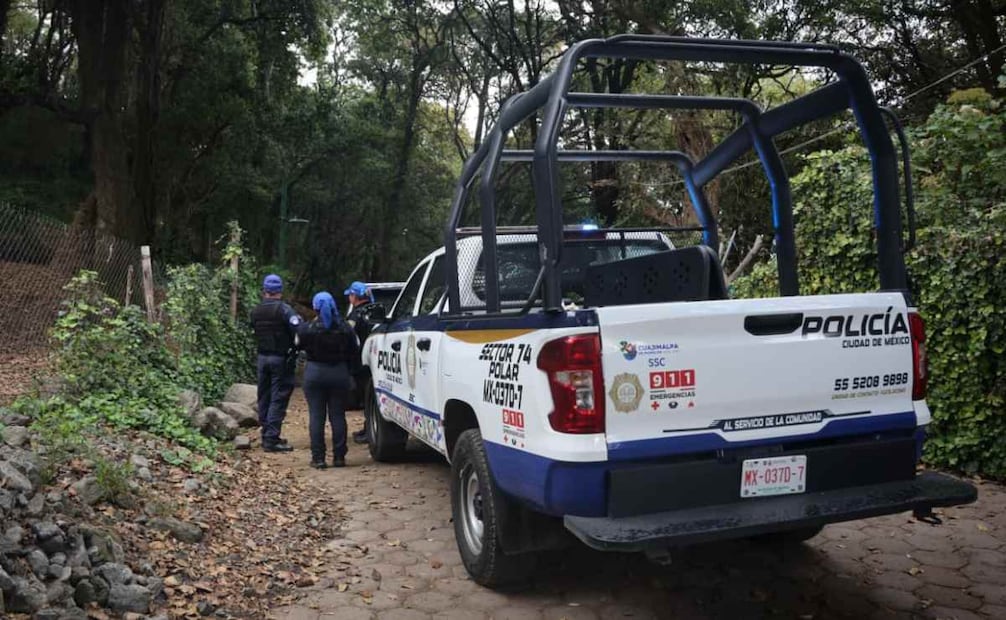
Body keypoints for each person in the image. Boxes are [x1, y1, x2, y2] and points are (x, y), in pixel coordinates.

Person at [297, 292, 359, 468]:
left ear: (315, 308)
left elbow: (298, 346)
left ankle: (318, 458)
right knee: (338, 415)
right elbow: (355, 350)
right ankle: (339, 457)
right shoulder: (346, 329)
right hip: (339, 373)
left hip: (315, 373)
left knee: (316, 415)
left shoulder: (306, 329)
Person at [251, 274, 301, 453]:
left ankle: (266, 433)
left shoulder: (256, 311)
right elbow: (299, 332)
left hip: (262, 358)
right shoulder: (285, 310)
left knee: (264, 396)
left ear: (264, 291)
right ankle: (271, 439)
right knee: (278, 397)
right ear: (280, 291)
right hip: (280, 359)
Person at [345, 281, 377, 444]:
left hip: (359, 362)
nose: (349, 298)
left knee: (366, 398)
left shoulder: (355, 315)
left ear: (355, 297)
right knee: (370, 397)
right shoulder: (374, 311)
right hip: (375, 360)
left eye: (350, 295)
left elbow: (347, 336)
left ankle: (369, 431)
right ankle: (368, 428)